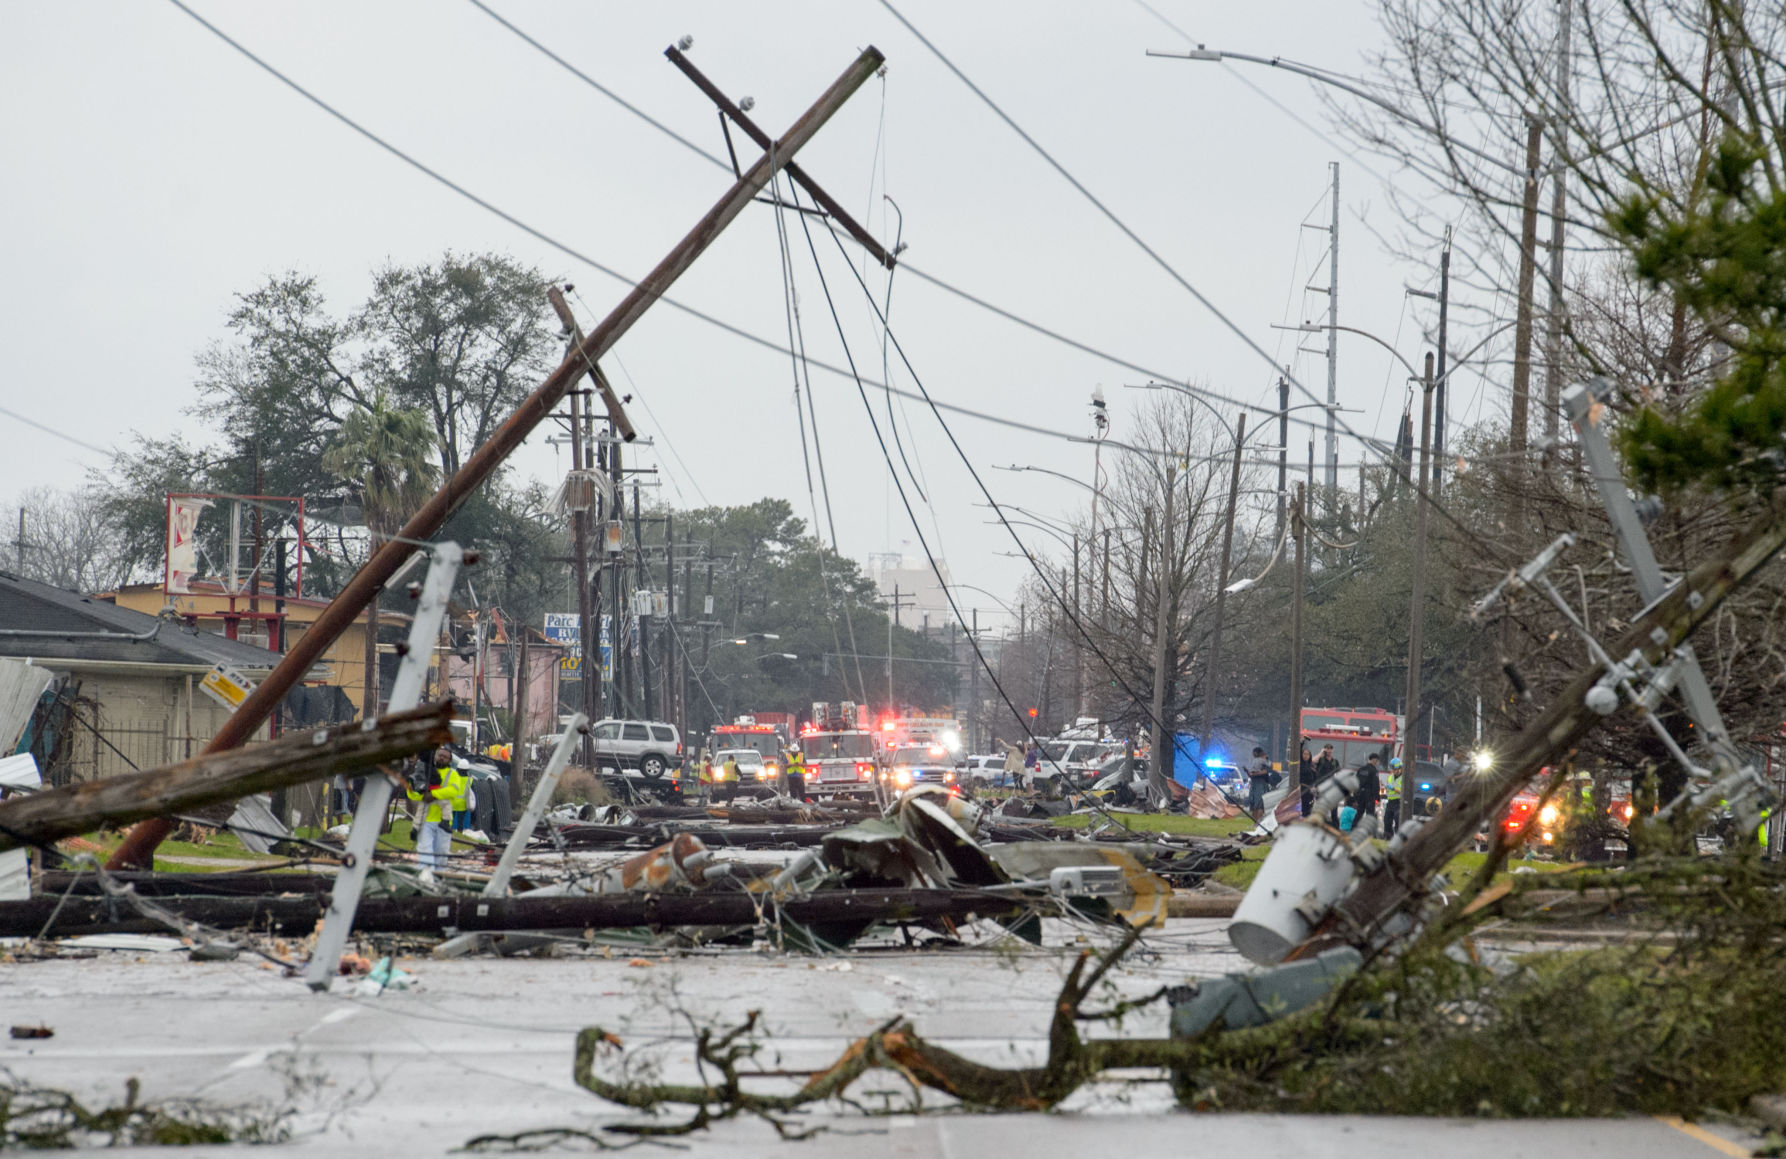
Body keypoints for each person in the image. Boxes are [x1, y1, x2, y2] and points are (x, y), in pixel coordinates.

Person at [407, 748, 463, 883]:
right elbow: (411, 793)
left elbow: (452, 792)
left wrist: (433, 795)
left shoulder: (453, 774)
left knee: (441, 857)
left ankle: (437, 883)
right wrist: (420, 792)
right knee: (425, 853)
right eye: (440, 755)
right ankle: (426, 882)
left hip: (443, 824)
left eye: (445, 756)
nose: (441, 758)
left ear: (450, 760)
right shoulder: (425, 770)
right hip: (426, 822)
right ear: (435, 756)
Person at [1353, 752, 1383, 827]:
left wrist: (1355, 796)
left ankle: (1353, 828)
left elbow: (1356, 783)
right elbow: (1375, 786)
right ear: (1374, 760)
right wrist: (1377, 798)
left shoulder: (1361, 769)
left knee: (1359, 813)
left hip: (1360, 795)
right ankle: (1369, 832)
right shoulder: (1374, 771)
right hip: (1369, 796)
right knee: (1370, 815)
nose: (1377, 763)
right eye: (1377, 761)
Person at [1245, 746, 1272, 819]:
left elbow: (1266, 771)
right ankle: (1256, 822)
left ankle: (1257, 822)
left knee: (1259, 804)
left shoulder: (1261, 761)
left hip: (1260, 785)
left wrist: (1253, 774)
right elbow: (1252, 774)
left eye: (1254, 753)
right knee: (1255, 804)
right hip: (1255, 784)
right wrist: (1249, 773)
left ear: (1256, 753)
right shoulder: (1261, 761)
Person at [1383, 757, 1404, 838]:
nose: (1393, 771)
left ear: (1400, 768)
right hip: (1390, 802)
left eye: (1395, 769)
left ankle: (1398, 837)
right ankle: (1388, 837)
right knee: (1387, 820)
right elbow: (1388, 789)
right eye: (1393, 769)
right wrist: (1386, 789)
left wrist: (1393, 789)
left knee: (1397, 818)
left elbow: (1404, 792)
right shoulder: (1390, 777)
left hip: (1398, 802)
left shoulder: (1404, 778)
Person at [1298, 743, 1316, 817]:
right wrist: (1301, 743)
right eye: (1304, 754)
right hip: (1302, 790)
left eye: (1307, 754)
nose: (1305, 756)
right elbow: (1297, 752)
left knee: (1308, 808)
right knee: (1302, 808)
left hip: (1309, 791)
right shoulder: (1301, 764)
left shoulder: (1311, 766)